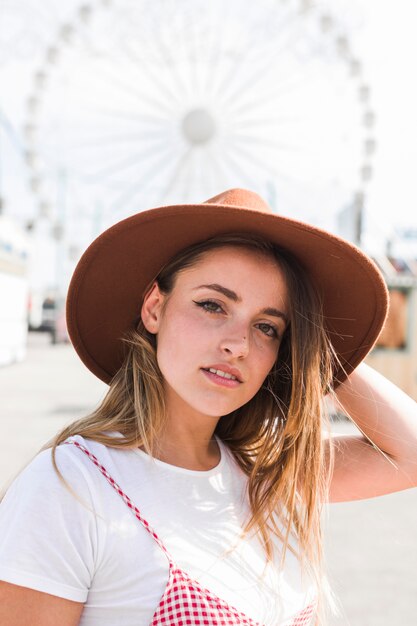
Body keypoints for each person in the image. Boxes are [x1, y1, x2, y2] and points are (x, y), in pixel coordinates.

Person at [0, 188, 416, 626]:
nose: (237, 344)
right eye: (213, 305)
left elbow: (408, 454)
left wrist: (315, 343)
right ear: (155, 308)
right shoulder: (71, 486)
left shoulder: (267, 474)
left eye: (267, 326)